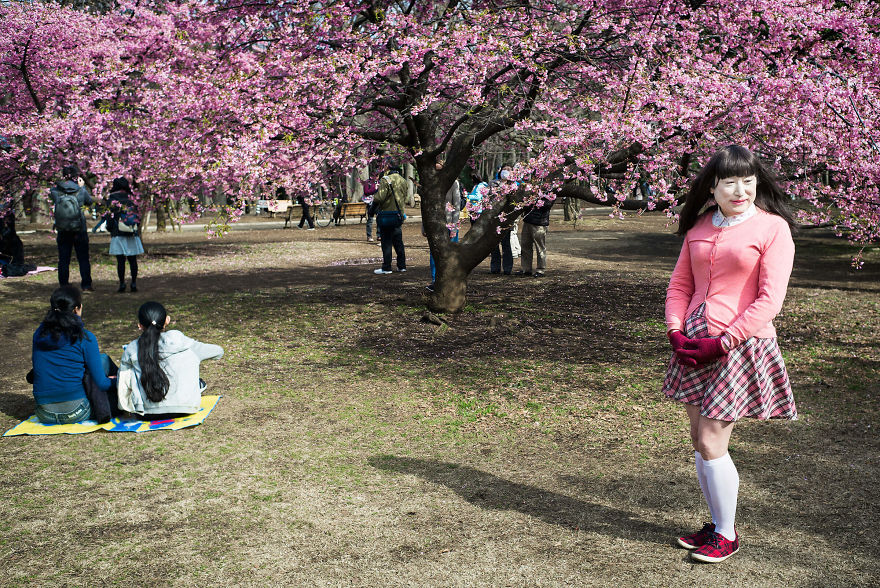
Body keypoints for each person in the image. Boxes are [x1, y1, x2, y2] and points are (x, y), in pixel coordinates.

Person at [663, 145, 798, 564]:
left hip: (738, 346)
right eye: (730, 182)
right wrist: (675, 330)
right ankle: (716, 522)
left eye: (748, 181)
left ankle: (726, 534)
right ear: (712, 187)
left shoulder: (772, 228)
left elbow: (769, 299)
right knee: (699, 442)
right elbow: (680, 285)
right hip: (693, 345)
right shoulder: (699, 225)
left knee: (711, 439)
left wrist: (722, 342)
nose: (741, 191)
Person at [119, 301, 224, 418]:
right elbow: (218, 351)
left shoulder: (131, 349)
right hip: (185, 408)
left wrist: (125, 409)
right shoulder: (182, 342)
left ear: (140, 325)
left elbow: (123, 383)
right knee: (198, 381)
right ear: (167, 320)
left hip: (146, 413)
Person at [30, 286, 117, 424]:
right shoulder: (85, 337)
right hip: (76, 411)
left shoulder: (39, 335)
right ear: (76, 309)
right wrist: (120, 381)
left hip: (44, 413)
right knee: (116, 399)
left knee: (103, 359)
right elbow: (102, 383)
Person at [49, 165, 94, 291]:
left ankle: (63, 284)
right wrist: (82, 187)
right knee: (83, 258)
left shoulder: (55, 191)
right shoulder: (81, 190)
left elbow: (53, 198)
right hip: (79, 228)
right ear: (76, 176)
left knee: (63, 259)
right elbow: (89, 202)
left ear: (64, 175)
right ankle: (86, 285)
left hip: (63, 229)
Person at [425, 159, 460, 292]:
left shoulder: (453, 183)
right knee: (434, 253)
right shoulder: (429, 183)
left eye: (440, 170)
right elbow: (426, 206)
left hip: (449, 223)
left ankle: (451, 280)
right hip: (434, 223)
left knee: (450, 253)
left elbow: (457, 206)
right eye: (435, 170)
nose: (437, 173)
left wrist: (454, 226)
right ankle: (435, 281)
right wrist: (424, 226)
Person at [105, 177, 144, 293]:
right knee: (133, 260)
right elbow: (138, 218)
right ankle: (133, 283)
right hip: (131, 234)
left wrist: (110, 229)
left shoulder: (111, 200)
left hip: (118, 234)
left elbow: (109, 219)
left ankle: (122, 283)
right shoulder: (132, 199)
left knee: (120, 261)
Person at [372, 165, 408, 274]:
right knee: (398, 241)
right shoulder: (403, 180)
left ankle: (386, 267)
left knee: (386, 242)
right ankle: (401, 266)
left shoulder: (386, 179)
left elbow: (380, 197)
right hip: (398, 214)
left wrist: (374, 201)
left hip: (387, 214)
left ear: (388, 169)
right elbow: (405, 197)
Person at [517, 192, 553, 277]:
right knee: (525, 245)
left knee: (540, 247)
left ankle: (541, 270)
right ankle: (526, 269)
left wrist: (534, 201)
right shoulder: (532, 190)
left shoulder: (550, 191)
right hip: (528, 221)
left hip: (539, 223)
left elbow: (547, 205)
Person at [489, 165, 514, 275]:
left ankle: (507, 268)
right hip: (494, 217)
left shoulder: (513, 185)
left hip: (506, 218)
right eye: (504, 169)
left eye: (509, 170)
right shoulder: (493, 183)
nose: (506, 171)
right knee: (493, 244)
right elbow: (489, 198)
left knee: (506, 244)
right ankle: (495, 267)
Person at [362, 177, 378, 242]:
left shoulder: (379, 182)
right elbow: (366, 192)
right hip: (370, 203)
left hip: (378, 202)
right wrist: (375, 190)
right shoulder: (367, 182)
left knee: (379, 219)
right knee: (370, 219)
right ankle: (369, 236)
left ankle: (379, 235)